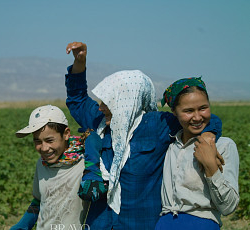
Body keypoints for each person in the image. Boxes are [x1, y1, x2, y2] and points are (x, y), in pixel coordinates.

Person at [65, 41, 223, 229]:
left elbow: (201, 120)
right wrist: (80, 63)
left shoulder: (157, 125)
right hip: (101, 223)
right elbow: (77, 99)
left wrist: (208, 135)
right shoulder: (99, 120)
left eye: (109, 102)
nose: (100, 107)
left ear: (127, 102)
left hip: (142, 223)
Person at [155, 77, 239, 229]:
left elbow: (229, 207)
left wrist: (211, 168)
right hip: (165, 224)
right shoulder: (170, 146)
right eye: (188, 111)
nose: (197, 117)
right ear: (174, 112)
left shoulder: (223, 146)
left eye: (203, 108)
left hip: (201, 224)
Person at [10, 105, 89, 230]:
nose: (44, 148)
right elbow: (38, 201)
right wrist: (23, 225)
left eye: (50, 140)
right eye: (37, 141)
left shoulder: (85, 164)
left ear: (66, 134)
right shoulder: (41, 164)